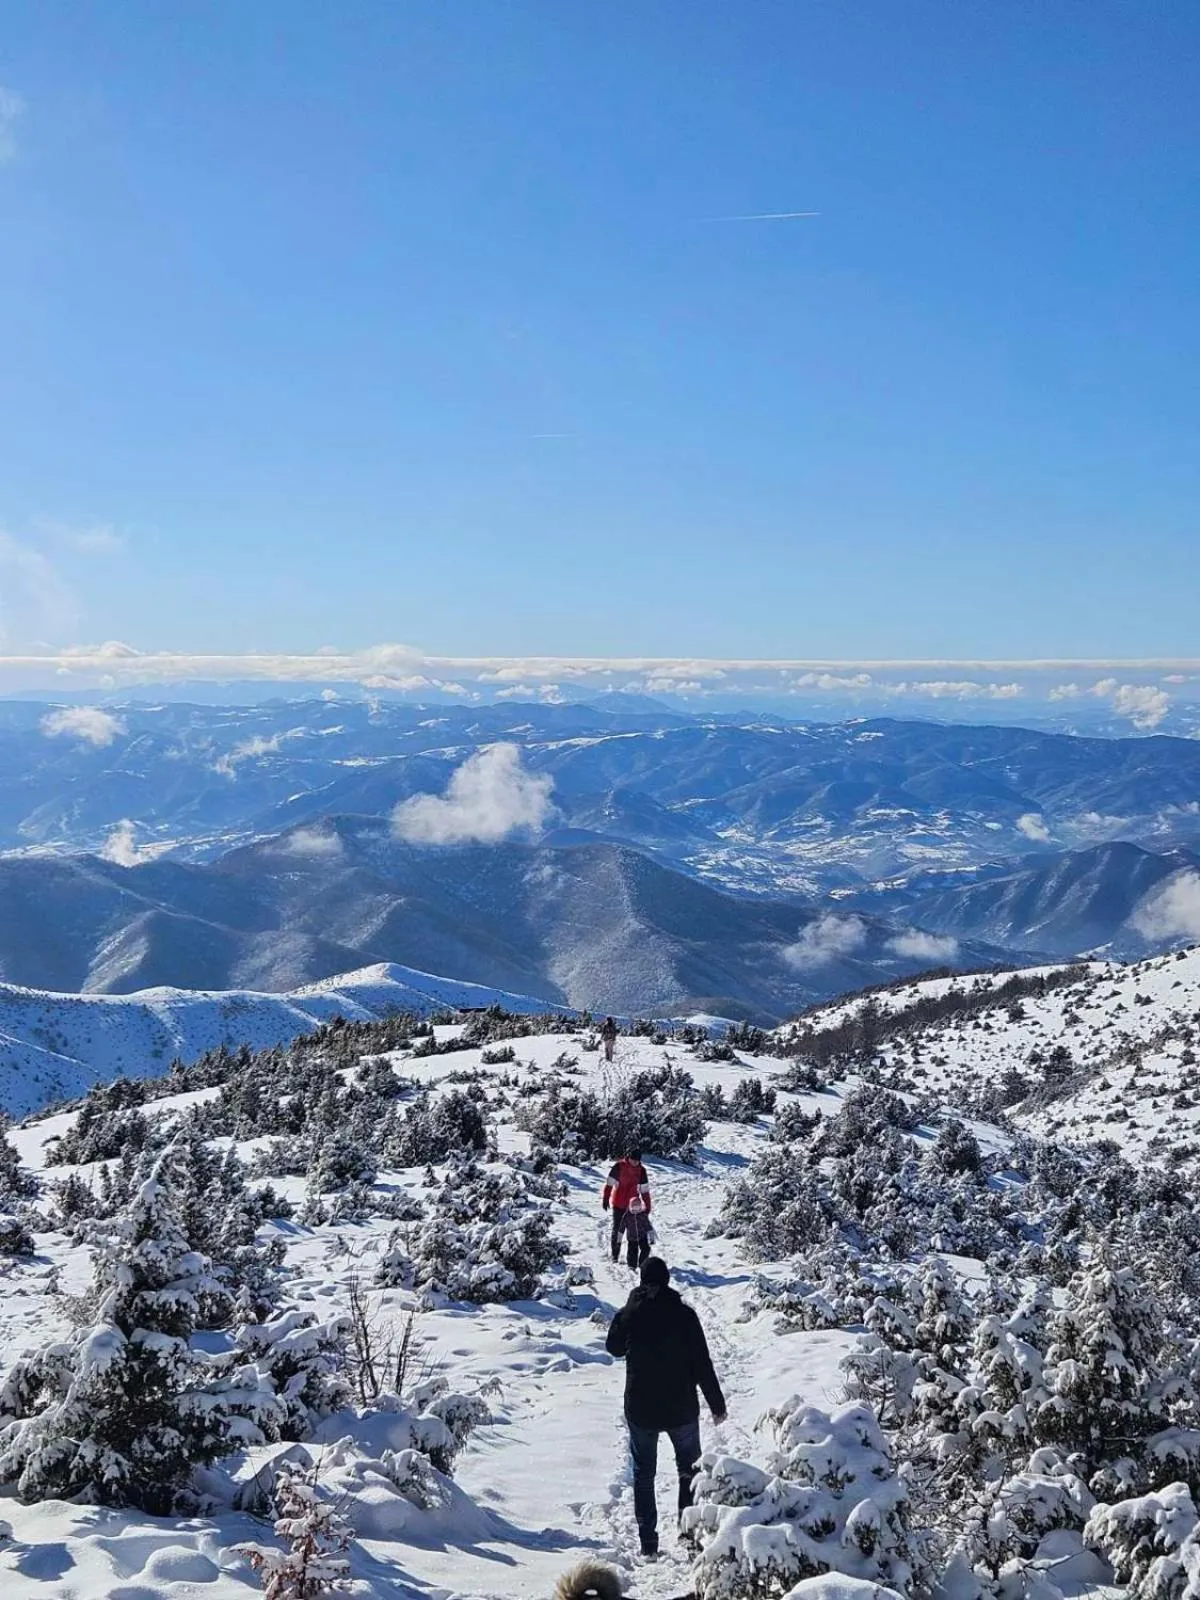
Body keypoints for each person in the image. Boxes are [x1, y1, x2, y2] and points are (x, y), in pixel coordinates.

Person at [606, 1257, 727, 1560]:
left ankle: (648, 1542)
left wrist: (628, 1311)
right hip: (680, 1408)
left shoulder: (630, 1314)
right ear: (668, 1280)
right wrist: (716, 1404)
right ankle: (688, 1535)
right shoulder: (684, 1315)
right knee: (689, 1471)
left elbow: (613, 1347)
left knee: (644, 1474)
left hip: (641, 1408)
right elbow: (701, 1363)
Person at [602, 1151, 652, 1269]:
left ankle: (636, 1261)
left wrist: (648, 1206)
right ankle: (615, 1255)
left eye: (637, 1160)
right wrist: (605, 1198)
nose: (635, 1162)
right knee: (618, 1229)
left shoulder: (642, 1171)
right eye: (633, 1160)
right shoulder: (619, 1167)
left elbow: (645, 1190)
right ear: (628, 1158)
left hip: (634, 1207)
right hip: (619, 1204)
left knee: (636, 1232)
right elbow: (609, 1184)